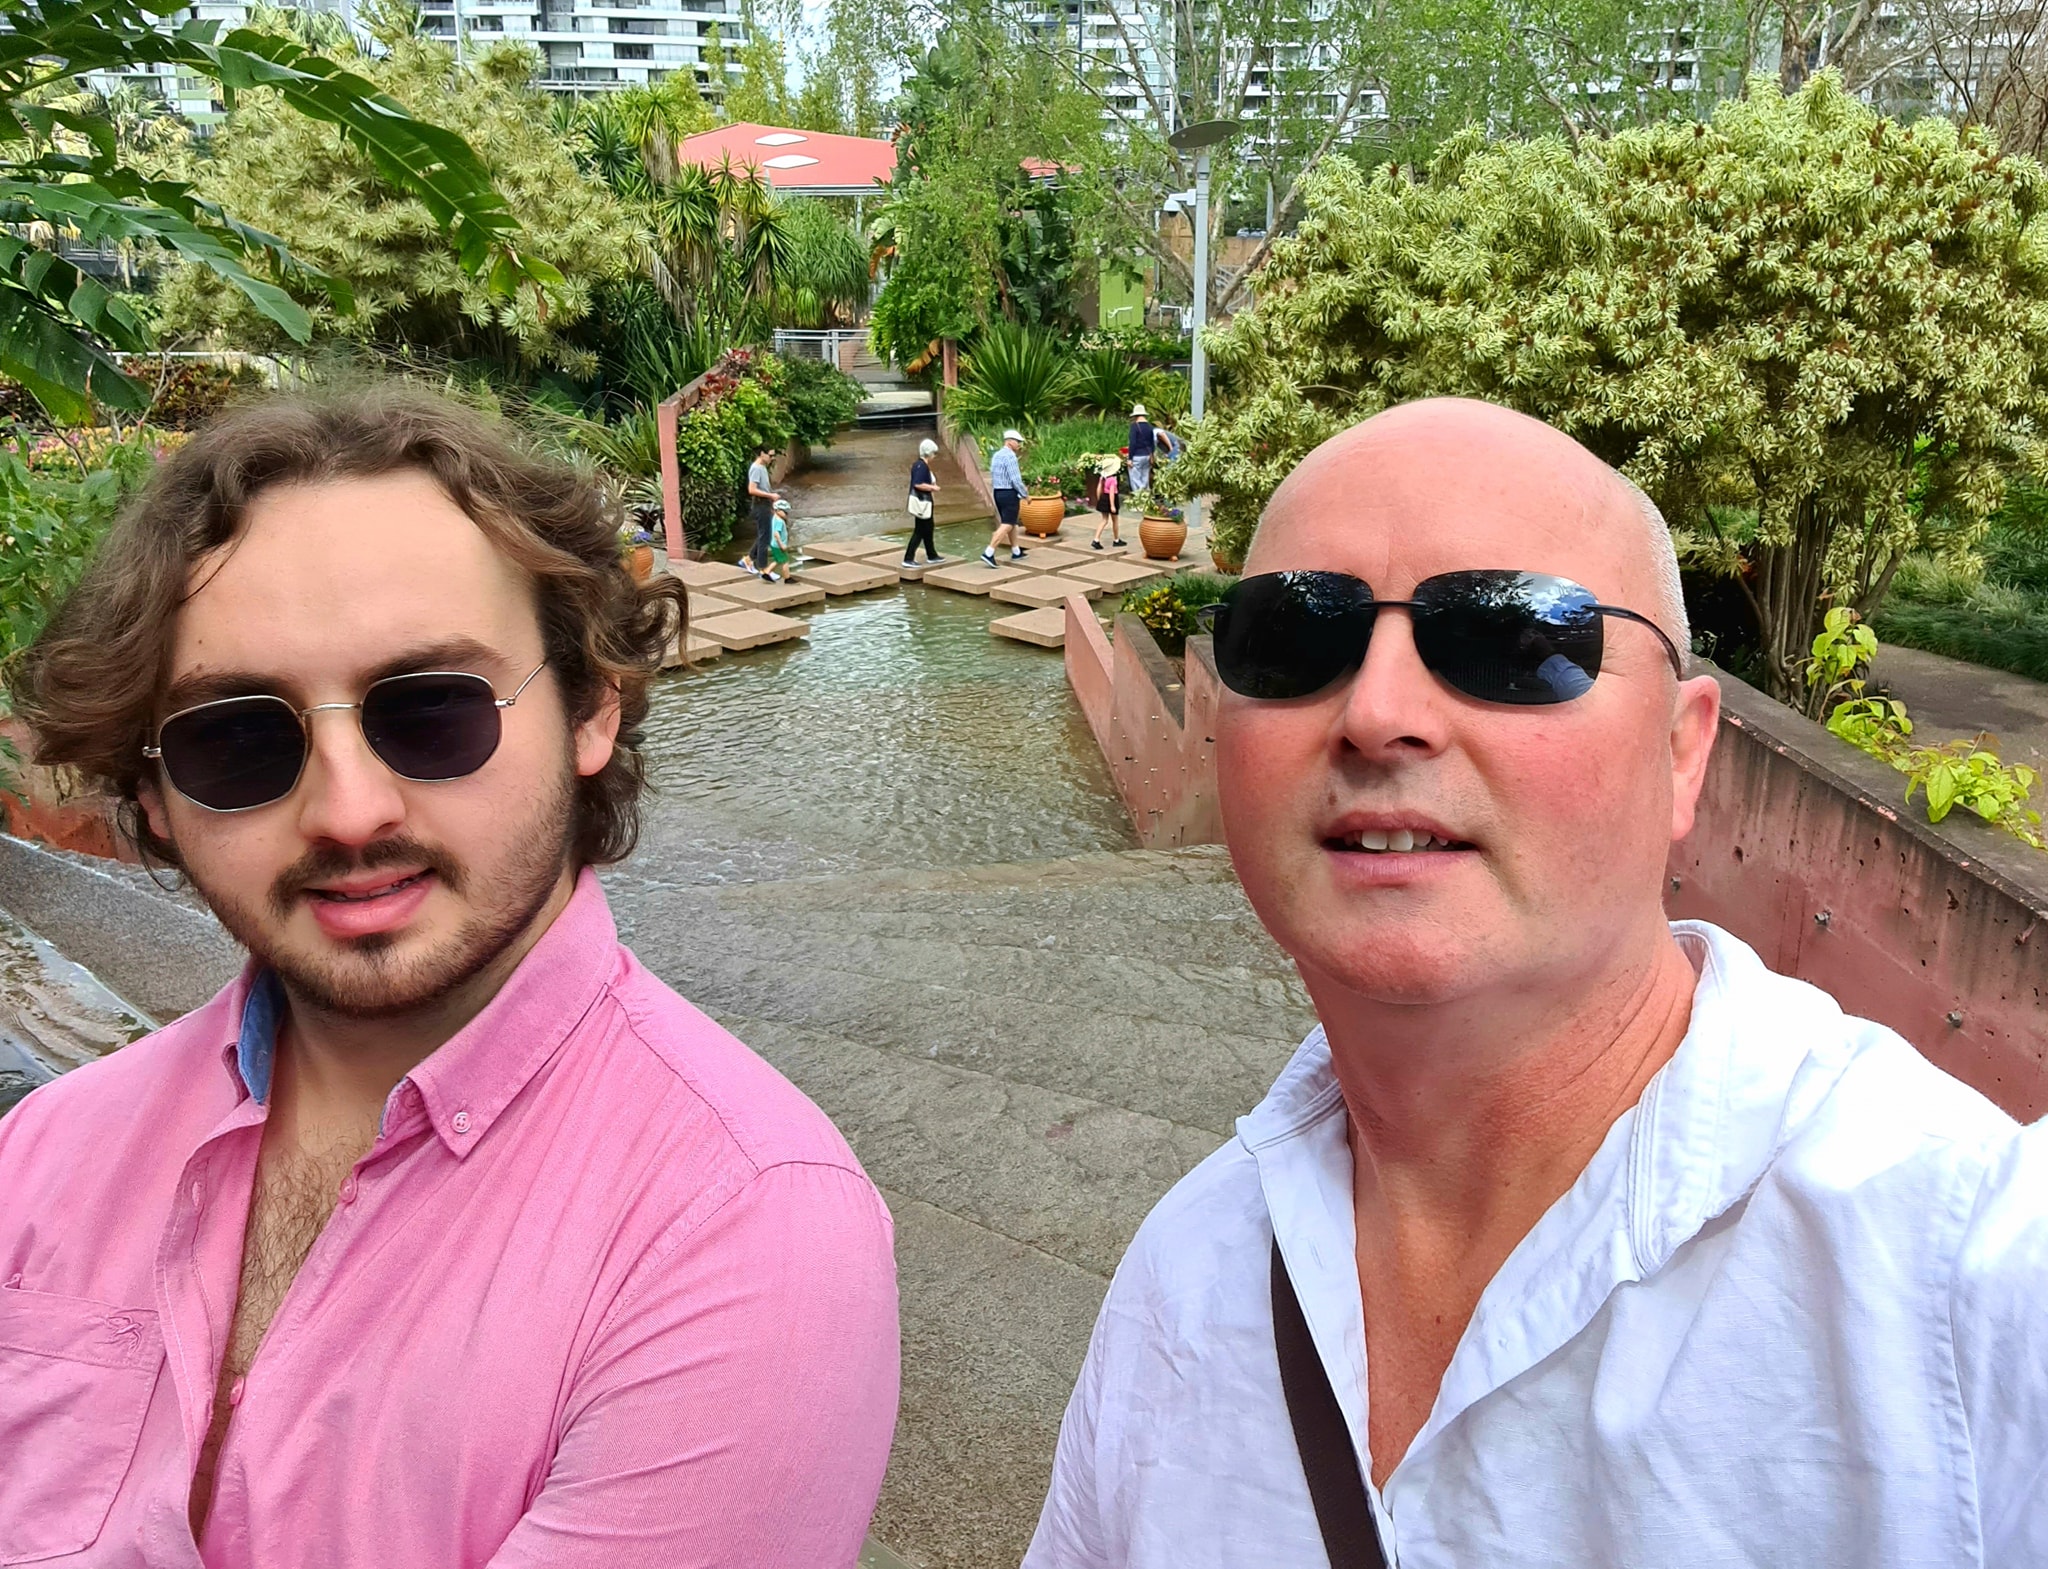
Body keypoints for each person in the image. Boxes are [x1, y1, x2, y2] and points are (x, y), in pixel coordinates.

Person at [1025, 397, 2048, 1568]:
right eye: (1295, 637)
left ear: (1681, 751)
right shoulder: (1183, 1275)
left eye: (1511, 641)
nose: (1377, 714)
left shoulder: (1961, 1285)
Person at [0, 389, 900, 1566]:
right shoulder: (46, 1156)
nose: (348, 812)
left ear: (588, 708)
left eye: (431, 712)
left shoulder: (740, 1234)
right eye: (239, 739)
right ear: (156, 795)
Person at [983, 427, 1029, 568]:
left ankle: (1016, 551)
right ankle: (989, 552)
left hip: (998, 492)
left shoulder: (996, 455)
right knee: (1007, 524)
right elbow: (1015, 479)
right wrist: (1025, 495)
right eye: (1017, 442)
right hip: (1009, 493)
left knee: (1011, 522)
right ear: (1009, 442)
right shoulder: (1010, 456)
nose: (1019, 444)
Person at [905, 437, 945, 566]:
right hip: (922, 503)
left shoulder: (919, 465)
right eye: (934, 453)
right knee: (920, 530)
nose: (934, 456)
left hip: (924, 502)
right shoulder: (921, 466)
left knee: (928, 528)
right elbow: (918, 484)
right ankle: (908, 558)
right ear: (929, 453)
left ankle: (931, 554)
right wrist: (933, 488)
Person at [745, 443, 781, 576]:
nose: (772, 458)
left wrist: (771, 502)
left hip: (765, 504)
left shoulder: (762, 467)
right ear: (762, 454)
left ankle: (749, 559)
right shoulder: (756, 468)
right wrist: (770, 496)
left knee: (765, 535)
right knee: (764, 537)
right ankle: (763, 568)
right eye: (770, 455)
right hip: (760, 505)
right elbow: (752, 489)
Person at [1089, 453, 1126, 551]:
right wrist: (1112, 505)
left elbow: (1098, 488)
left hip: (1103, 498)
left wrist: (1099, 499)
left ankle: (1096, 539)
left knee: (1104, 520)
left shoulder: (1103, 478)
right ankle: (1116, 539)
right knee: (1115, 520)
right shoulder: (1113, 480)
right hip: (1111, 500)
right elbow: (1112, 493)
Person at [1127, 403, 1156, 495]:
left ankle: (1139, 497)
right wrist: (1152, 455)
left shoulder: (1134, 426)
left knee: (1135, 479)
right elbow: (1152, 442)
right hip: (1147, 455)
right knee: (1145, 477)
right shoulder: (1150, 426)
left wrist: (1130, 458)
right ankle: (1146, 496)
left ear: (1135, 415)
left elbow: (1133, 443)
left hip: (1137, 456)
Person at [767, 497, 793, 583]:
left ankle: (766, 572)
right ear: (777, 510)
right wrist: (781, 544)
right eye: (785, 512)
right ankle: (787, 578)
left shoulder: (774, 518)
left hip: (774, 544)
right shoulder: (780, 522)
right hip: (778, 545)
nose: (786, 514)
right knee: (785, 561)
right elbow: (776, 534)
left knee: (778, 560)